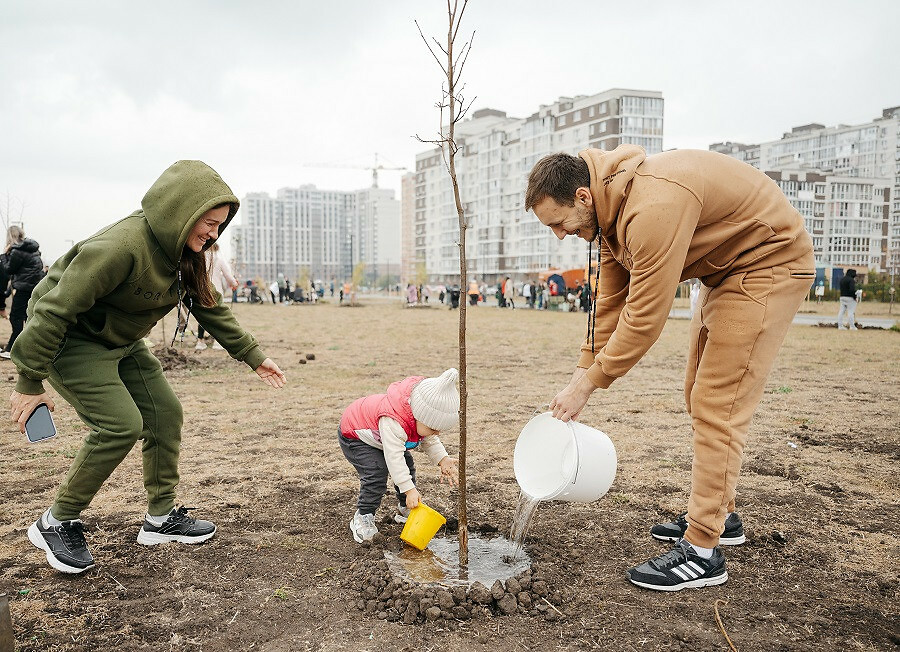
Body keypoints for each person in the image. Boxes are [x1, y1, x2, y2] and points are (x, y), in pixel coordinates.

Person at [525, 145, 815, 592]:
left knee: (717, 405)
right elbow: (609, 306)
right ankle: (722, 513)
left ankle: (702, 551)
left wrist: (589, 386)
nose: (560, 235)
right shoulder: (606, 219)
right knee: (696, 394)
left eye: (558, 223)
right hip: (724, 273)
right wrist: (578, 378)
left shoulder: (651, 209)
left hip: (767, 264)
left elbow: (643, 320)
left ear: (583, 196)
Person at [12, 161, 287, 574]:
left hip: (121, 341)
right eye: (208, 223)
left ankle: (160, 519)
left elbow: (207, 306)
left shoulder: (183, 253)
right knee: (120, 425)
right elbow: (53, 308)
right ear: (181, 211)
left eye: (219, 226)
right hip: (74, 341)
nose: (213, 234)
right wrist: (29, 381)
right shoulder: (120, 247)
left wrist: (253, 355)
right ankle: (57, 520)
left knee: (164, 414)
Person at [339, 368, 460, 543]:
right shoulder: (394, 421)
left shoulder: (419, 416)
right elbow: (394, 458)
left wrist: (443, 459)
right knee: (376, 473)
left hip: (381, 438)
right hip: (356, 436)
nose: (437, 433)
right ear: (419, 416)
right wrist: (410, 490)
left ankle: (406, 507)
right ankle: (363, 516)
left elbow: (429, 439)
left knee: (408, 466)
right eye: (434, 429)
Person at [0, 226, 45, 360]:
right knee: (28, 316)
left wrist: (4, 255)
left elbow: (8, 270)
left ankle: (11, 349)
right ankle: (28, 349)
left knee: (16, 317)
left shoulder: (17, 251)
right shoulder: (33, 249)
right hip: (34, 287)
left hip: (23, 288)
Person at [195, 242, 238, 350]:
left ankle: (200, 341)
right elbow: (228, 276)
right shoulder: (218, 260)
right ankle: (217, 342)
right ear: (215, 248)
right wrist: (234, 284)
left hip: (202, 291)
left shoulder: (199, 259)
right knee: (217, 317)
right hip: (216, 291)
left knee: (203, 316)